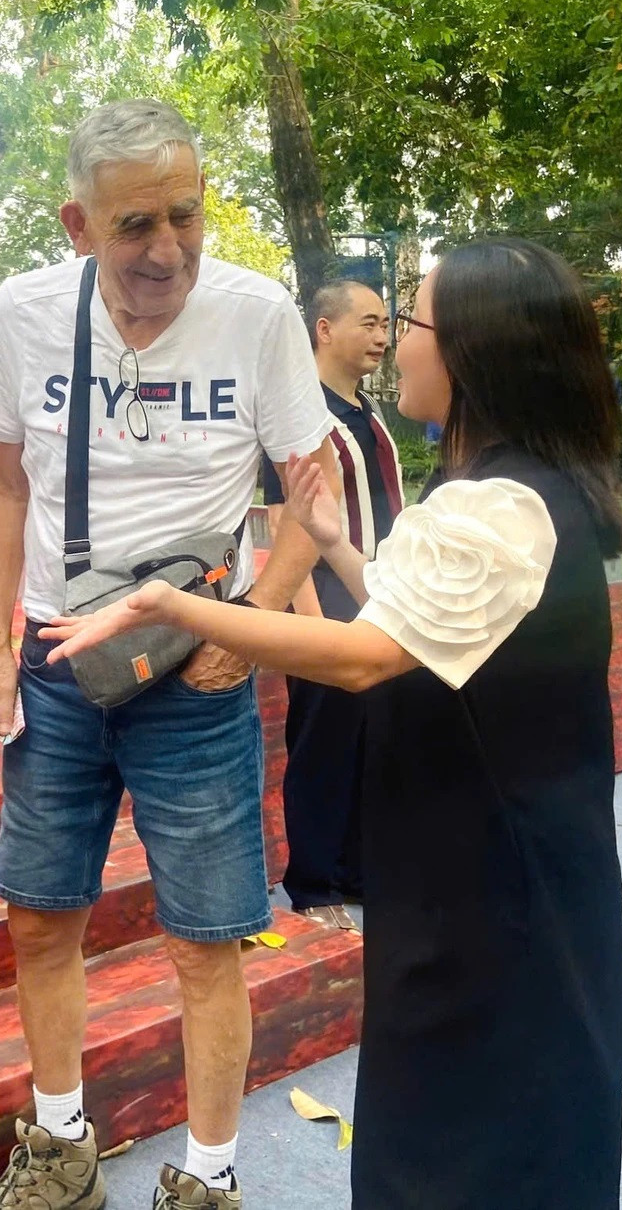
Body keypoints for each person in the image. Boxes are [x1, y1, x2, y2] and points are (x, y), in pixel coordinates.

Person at [43, 238, 622, 1209]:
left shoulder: (493, 505)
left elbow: (368, 657)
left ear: (472, 351)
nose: (392, 342)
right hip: (506, 884)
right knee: (508, 1126)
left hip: (485, 903)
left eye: (411, 321)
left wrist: (175, 607)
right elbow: (425, 626)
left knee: (465, 1146)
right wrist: (333, 547)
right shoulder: (528, 493)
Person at [0, 99, 336, 1210]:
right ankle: (60, 1148)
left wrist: (253, 626)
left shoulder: (254, 313)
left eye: (185, 215)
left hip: (194, 666)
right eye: (134, 226)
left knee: (205, 937)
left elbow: (306, 492)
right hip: (56, 658)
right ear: (77, 225)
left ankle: (208, 1180)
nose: (165, 248)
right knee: (40, 913)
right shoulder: (26, 316)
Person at [259, 279, 404, 927]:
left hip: (380, 599)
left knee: (373, 740)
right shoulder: (298, 417)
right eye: (369, 324)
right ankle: (314, 885)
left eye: (385, 325)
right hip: (326, 602)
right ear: (324, 329)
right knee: (321, 743)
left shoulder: (366, 409)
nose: (383, 336)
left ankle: (359, 872)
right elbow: (279, 519)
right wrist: (309, 620)